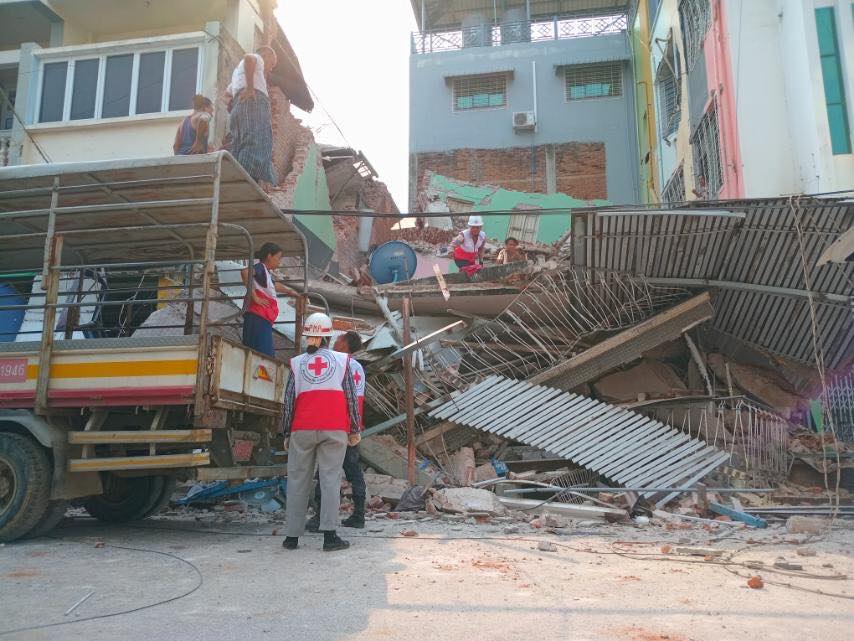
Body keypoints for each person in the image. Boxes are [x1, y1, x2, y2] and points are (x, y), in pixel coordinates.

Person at [281, 313, 362, 552]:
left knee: (297, 480)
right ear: (329, 335)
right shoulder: (342, 361)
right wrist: (355, 428)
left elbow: (288, 402)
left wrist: (286, 431)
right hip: (334, 428)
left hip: (302, 428)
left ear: (308, 334)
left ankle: (291, 538)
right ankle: (329, 537)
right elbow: (350, 396)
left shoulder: (296, 363)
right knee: (329, 480)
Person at [306, 331, 367, 531]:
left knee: (325, 472)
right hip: (347, 427)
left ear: (344, 345)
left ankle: (320, 518)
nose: (334, 342)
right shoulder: (355, 366)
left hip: (339, 427)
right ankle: (358, 516)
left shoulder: (342, 364)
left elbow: (352, 400)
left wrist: (351, 428)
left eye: (339, 340)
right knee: (353, 472)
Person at [227, 46, 278, 188]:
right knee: (257, 142)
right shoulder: (258, 59)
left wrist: (234, 104)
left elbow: (226, 94)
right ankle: (247, 183)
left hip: (240, 106)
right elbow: (249, 58)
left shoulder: (237, 73)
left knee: (240, 145)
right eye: (272, 63)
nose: (271, 68)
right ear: (265, 55)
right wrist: (250, 88)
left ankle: (238, 180)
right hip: (253, 104)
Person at [240, 242, 298, 358]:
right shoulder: (260, 267)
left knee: (253, 353)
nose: (279, 262)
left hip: (260, 317)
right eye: (278, 258)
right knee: (265, 355)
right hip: (258, 317)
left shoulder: (265, 273)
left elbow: (274, 285)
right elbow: (245, 272)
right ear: (269, 256)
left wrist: (290, 291)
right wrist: (255, 297)